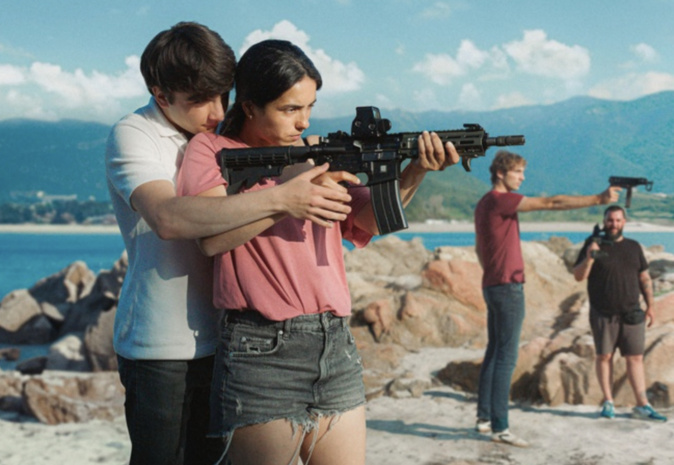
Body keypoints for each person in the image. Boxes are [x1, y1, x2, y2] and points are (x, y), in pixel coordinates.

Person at [177, 39, 459, 465]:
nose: (303, 121)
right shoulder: (213, 151)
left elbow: (372, 220)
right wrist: (289, 199)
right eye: (290, 109)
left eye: (310, 106)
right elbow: (212, 238)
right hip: (261, 350)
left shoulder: (318, 152)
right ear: (249, 106)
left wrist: (416, 169)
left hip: (335, 342)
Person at [106, 23, 355, 465]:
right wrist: (284, 198)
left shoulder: (225, 137)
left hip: (235, 339)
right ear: (160, 95)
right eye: (200, 100)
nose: (217, 111)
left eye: (223, 95)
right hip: (163, 344)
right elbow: (167, 218)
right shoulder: (135, 132)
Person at [473, 150, 620, 447]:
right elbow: (552, 203)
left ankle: (485, 418)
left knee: (494, 351)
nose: (522, 177)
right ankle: (500, 426)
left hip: (492, 284)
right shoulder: (501, 200)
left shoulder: (484, 203)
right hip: (507, 286)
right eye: (518, 171)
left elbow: (478, 248)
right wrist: (598, 199)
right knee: (506, 357)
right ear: (500, 173)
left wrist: (493, 271)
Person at [572, 206, 667, 422]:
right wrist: (590, 257)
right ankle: (608, 402)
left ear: (624, 222)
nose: (613, 224)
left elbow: (644, 278)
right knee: (604, 356)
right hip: (603, 312)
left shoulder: (633, 247)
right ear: (604, 221)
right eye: (610, 220)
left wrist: (651, 306)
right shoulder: (594, 244)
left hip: (632, 312)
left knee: (635, 358)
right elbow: (578, 276)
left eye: (617, 220)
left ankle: (642, 405)